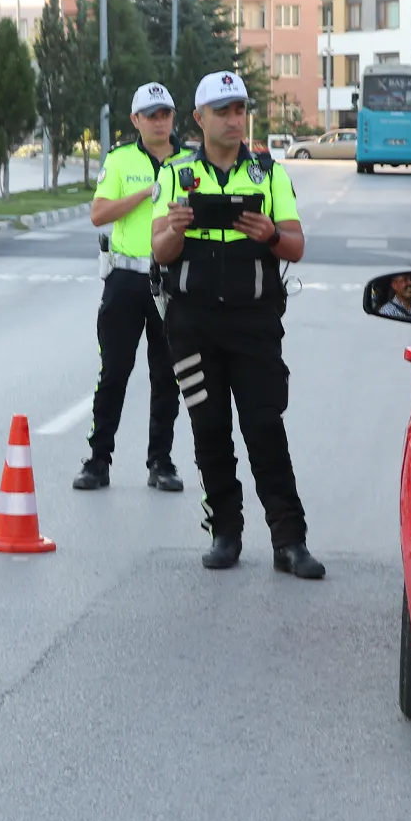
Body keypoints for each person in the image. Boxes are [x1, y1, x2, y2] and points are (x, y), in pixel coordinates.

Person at [150, 70, 324, 579]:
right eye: (223, 111)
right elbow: (158, 250)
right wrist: (176, 229)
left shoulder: (268, 173)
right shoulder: (177, 174)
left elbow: (296, 245)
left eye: (240, 110)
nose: (233, 120)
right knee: (209, 428)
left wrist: (270, 234)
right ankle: (225, 531)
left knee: (265, 426)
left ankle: (289, 541)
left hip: (254, 322)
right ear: (199, 119)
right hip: (192, 323)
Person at [74, 82, 185, 493]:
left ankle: (161, 461)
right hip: (125, 278)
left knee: (166, 375)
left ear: (174, 118)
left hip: (171, 280)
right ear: (136, 121)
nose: (159, 121)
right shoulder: (120, 160)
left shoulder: (189, 161)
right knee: (115, 372)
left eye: (166, 114)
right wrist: (145, 194)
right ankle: (98, 460)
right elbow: (99, 213)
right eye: (151, 115)